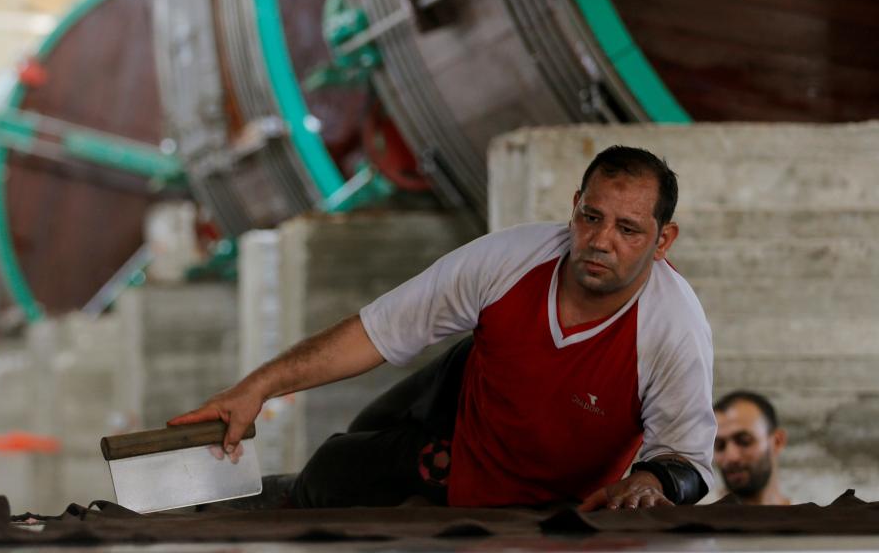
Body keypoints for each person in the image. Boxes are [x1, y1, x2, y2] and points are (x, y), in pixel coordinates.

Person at [171, 146, 716, 511]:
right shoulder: (510, 258)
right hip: (466, 390)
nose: (601, 242)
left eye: (628, 230)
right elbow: (375, 331)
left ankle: (294, 493)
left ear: (663, 241)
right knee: (342, 449)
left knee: (333, 474)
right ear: (574, 208)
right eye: (592, 218)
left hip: (533, 494)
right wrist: (256, 389)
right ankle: (254, 497)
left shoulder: (672, 326)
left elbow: (688, 462)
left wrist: (650, 481)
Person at [713, 391, 790, 505]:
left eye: (744, 441)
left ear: (777, 442)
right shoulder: (694, 518)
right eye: (720, 446)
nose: (731, 457)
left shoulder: (811, 519)